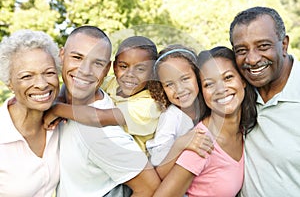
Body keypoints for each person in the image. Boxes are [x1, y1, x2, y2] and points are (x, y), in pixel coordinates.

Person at [52, 26, 160, 197]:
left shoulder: (102, 133)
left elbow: (149, 187)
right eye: (77, 57)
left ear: (106, 68)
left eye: (97, 63)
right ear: (61, 55)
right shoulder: (106, 87)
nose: (85, 70)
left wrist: (54, 108)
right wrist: (57, 99)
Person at [153, 46, 257, 197]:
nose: (220, 89)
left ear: (243, 80)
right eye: (209, 84)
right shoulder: (201, 143)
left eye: (228, 77)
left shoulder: (244, 131)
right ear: (202, 90)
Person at [45, 36, 161, 154]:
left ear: (153, 72)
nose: (130, 74)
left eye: (140, 69)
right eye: (123, 66)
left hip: (127, 165)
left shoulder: (149, 105)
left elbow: (99, 117)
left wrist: (57, 109)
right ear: (114, 67)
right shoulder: (111, 83)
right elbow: (79, 83)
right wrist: (59, 98)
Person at [229, 6, 300, 196]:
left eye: (263, 46)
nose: (251, 59)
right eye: (241, 50)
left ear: (284, 45)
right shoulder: (235, 94)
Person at [0, 29, 60, 196]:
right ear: (9, 83)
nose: (41, 84)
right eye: (27, 76)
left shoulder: (62, 122)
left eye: (49, 73)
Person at [146, 44, 214, 179]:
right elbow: (159, 172)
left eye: (185, 79)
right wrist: (180, 144)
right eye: (169, 84)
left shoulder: (207, 105)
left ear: (197, 75)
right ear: (161, 87)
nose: (179, 89)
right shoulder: (171, 118)